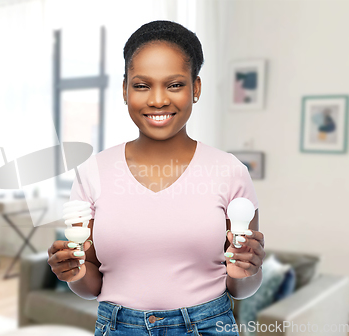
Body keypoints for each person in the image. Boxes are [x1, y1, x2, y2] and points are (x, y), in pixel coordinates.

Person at [48, 20, 265, 336]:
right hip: (119, 327)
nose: (158, 99)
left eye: (175, 84)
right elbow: (91, 285)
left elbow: (241, 289)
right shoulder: (93, 172)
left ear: (196, 88)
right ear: (125, 90)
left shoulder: (230, 172)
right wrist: (73, 272)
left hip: (208, 325)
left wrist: (247, 270)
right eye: (141, 85)